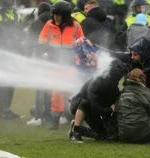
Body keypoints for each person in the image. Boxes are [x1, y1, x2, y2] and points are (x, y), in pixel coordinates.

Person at [38, 0, 84, 129]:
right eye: (54, 15)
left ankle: (73, 119)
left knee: (71, 93)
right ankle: (55, 121)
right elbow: (41, 41)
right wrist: (44, 53)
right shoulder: (49, 25)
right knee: (56, 94)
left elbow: (82, 45)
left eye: (58, 15)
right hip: (55, 65)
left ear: (65, 15)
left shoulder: (75, 26)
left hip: (71, 65)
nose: (55, 17)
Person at [68, 59, 129, 143]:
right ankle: (76, 132)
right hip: (80, 106)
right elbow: (94, 105)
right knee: (85, 103)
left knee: (104, 136)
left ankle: (76, 127)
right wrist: (110, 110)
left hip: (97, 109)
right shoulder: (97, 83)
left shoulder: (115, 82)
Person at [0, 0, 22, 120]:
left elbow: (20, 31)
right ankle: (3, 111)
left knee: (11, 82)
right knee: (2, 82)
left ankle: (7, 109)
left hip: (14, 52)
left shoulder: (16, 14)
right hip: (1, 53)